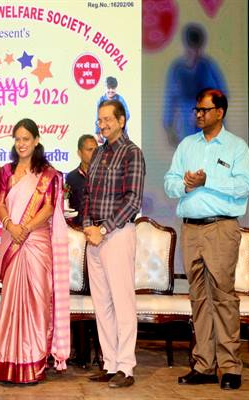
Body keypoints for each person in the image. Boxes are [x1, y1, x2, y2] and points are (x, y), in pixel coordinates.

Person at [164, 89, 249, 390]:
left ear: (220, 112)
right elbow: (169, 183)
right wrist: (186, 185)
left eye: (204, 110)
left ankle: (229, 367)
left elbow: (244, 185)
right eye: (197, 110)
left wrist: (208, 180)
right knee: (199, 298)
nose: (199, 114)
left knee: (223, 298)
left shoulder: (236, 147)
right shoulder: (187, 145)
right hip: (191, 229)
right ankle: (203, 364)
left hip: (220, 228)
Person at [0, 118, 70, 384]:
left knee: (37, 301)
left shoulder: (49, 174)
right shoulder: (6, 171)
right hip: (12, 240)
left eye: (26, 139)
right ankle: (7, 362)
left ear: (36, 140)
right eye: (17, 139)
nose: (21, 144)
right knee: (11, 302)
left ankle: (33, 363)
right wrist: (11, 225)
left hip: (36, 242)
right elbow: (0, 203)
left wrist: (25, 228)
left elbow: (48, 207)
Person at [83, 99, 145, 388]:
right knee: (102, 304)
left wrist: (103, 228)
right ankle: (109, 364)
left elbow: (133, 200)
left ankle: (126, 367)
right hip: (94, 236)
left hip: (117, 234)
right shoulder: (98, 153)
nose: (103, 124)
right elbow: (87, 195)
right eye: (100, 120)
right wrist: (88, 226)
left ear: (121, 121)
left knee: (122, 303)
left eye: (108, 119)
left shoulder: (132, 153)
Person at [163, 23, 227, 146]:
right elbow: (171, 100)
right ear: (185, 46)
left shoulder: (208, 67)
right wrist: (169, 127)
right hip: (185, 127)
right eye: (191, 49)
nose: (194, 54)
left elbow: (221, 96)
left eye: (197, 49)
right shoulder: (177, 69)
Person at [64, 134, 98, 226]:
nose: (94, 153)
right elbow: (67, 203)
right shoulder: (71, 177)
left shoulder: (105, 174)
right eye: (90, 150)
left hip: (100, 228)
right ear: (79, 153)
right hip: (78, 227)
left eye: (96, 150)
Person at [95, 77, 130, 143]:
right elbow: (98, 118)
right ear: (105, 88)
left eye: (113, 88)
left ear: (116, 88)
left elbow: (127, 114)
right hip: (107, 133)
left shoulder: (120, 99)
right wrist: (98, 134)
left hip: (120, 133)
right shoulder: (101, 100)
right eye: (108, 88)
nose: (110, 91)